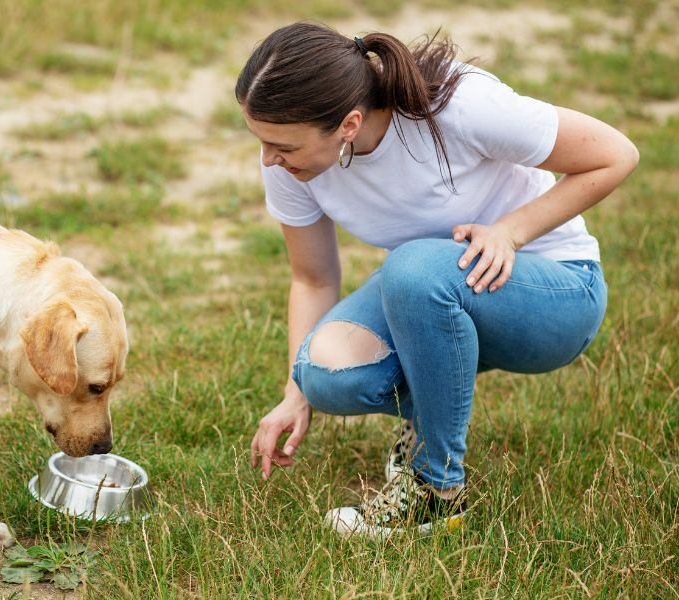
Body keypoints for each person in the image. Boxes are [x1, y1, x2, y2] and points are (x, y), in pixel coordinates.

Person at [238, 22, 638, 539]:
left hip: (559, 293)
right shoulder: (289, 165)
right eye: (262, 141)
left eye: (280, 145)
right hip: (434, 289)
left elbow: (616, 154)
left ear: (348, 124)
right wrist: (294, 393)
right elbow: (312, 277)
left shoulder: (459, 105)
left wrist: (509, 233)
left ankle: (435, 491)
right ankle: (432, 410)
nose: (268, 158)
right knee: (325, 373)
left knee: (411, 268)